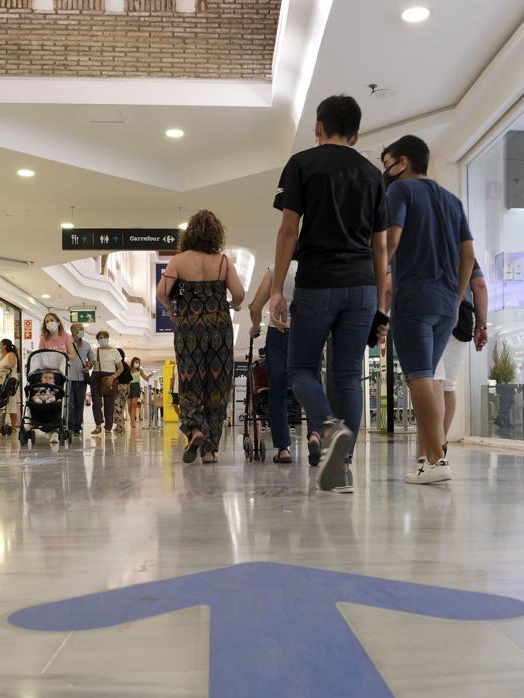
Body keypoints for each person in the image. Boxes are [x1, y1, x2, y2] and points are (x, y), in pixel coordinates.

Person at [270, 94, 389, 493]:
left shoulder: (302, 164)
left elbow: (289, 230)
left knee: (300, 368)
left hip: (318, 281)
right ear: (356, 134)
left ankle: (328, 424)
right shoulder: (374, 176)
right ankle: (345, 464)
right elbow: (381, 247)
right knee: (349, 376)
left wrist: (275, 290)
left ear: (319, 126)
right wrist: (381, 306)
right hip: (363, 287)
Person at [380, 135, 475, 484]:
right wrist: (456, 294)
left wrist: (375, 274)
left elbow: (393, 240)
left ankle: (436, 461)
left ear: (402, 162)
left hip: (414, 300)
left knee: (418, 378)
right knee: (427, 378)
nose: (386, 171)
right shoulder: (452, 201)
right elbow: (468, 255)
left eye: (388, 163)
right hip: (446, 306)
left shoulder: (400, 192)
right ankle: (429, 459)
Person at [158, 210, 245, 464]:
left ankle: (196, 429)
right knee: (217, 386)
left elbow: (161, 292)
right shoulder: (223, 262)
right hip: (219, 326)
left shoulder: (178, 261)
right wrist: (233, 304)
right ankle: (209, 450)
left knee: (190, 381)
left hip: (189, 328)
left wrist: (172, 310)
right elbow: (239, 293)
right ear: (216, 234)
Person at [431, 261, 489, 454]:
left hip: (433, 311)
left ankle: (435, 445)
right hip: (463, 318)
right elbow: (479, 285)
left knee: (434, 380)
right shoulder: (463, 246)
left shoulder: (426, 237)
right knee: (449, 385)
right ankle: (442, 440)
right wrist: (481, 326)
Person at [248, 260, 299, 463]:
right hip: (305, 332)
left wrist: (256, 326)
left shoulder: (274, 270)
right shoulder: (313, 265)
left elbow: (254, 306)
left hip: (278, 332)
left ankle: (284, 450)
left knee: (276, 391)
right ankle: (315, 437)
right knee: (310, 382)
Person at [89, 330, 122, 435]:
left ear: (108, 338)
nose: (102, 339)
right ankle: (98, 425)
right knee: (96, 403)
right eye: (100, 338)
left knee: (109, 403)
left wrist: (113, 377)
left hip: (109, 377)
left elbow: (120, 368)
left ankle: (108, 428)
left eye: (104, 337)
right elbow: (91, 363)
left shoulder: (114, 351)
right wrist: (87, 366)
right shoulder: (95, 350)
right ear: (98, 340)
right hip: (96, 376)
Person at [66, 321, 95, 435]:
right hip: (69, 378)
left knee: (79, 404)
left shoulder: (87, 345)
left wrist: (89, 366)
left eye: (82, 329)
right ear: (73, 331)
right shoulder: (66, 344)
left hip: (82, 379)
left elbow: (92, 359)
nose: (82, 331)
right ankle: (70, 426)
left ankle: (78, 426)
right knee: (69, 404)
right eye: (79, 329)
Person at [0, 338, 20, 430]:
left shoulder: (11, 354)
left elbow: (11, 364)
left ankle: (13, 426)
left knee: (11, 403)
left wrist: (7, 366)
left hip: (10, 382)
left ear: (4, 346)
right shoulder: (0, 356)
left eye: (0, 344)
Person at [127, 358, 154, 429]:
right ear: (133, 362)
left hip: (136, 386)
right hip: (129, 387)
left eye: (138, 363)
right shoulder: (128, 369)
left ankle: (132, 422)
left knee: (134, 404)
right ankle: (132, 418)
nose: (137, 364)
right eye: (136, 362)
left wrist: (149, 376)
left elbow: (146, 378)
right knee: (129, 406)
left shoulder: (140, 370)